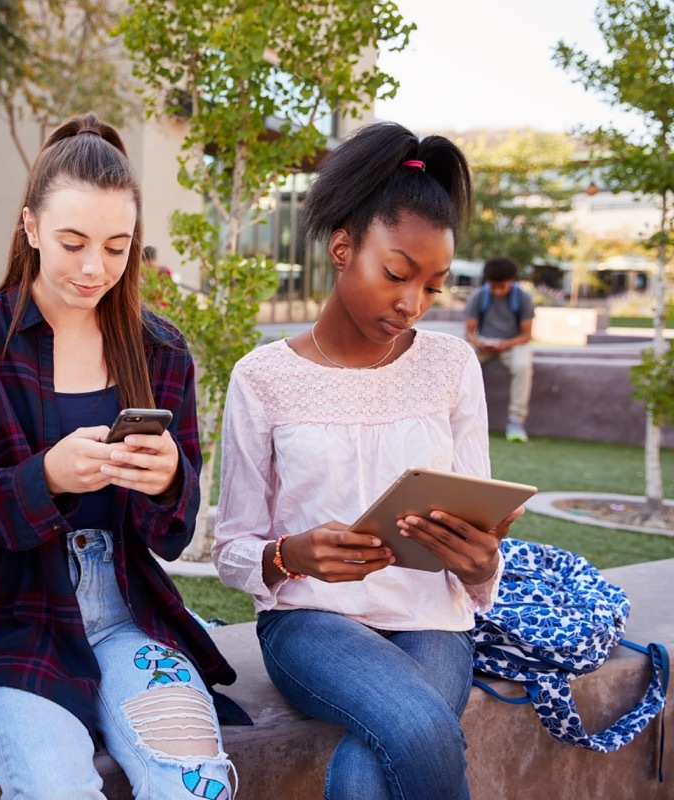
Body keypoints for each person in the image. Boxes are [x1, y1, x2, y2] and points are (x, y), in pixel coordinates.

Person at [213, 122, 524, 800]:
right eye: (396, 275)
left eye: (433, 286)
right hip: (309, 623)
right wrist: (290, 554)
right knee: (418, 723)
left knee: (367, 771)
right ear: (342, 247)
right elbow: (231, 547)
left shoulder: (452, 365)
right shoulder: (262, 377)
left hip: (431, 620)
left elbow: (478, 523)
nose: (412, 305)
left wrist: (481, 561)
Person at [0, 113, 241, 800]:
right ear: (30, 226)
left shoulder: (160, 350)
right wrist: (44, 478)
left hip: (132, 612)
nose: (93, 268)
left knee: (195, 786)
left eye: (116, 247)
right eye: (72, 243)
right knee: (56, 788)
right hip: (14, 620)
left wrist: (169, 481)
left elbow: (175, 533)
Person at [464, 256, 535, 442]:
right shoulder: (478, 296)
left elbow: (527, 335)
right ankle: (461, 417)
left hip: (513, 343)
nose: (496, 290)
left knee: (522, 366)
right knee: (462, 362)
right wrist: (479, 343)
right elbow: (469, 332)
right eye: (493, 286)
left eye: (501, 286)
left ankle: (516, 421)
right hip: (484, 343)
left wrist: (505, 345)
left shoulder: (523, 298)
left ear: (511, 281)